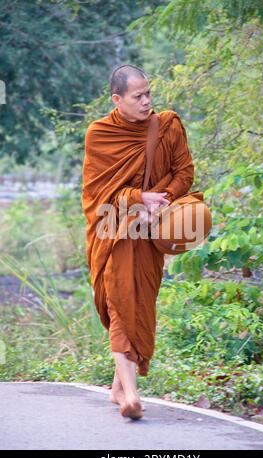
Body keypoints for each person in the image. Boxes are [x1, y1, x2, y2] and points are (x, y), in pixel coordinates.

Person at [82, 64, 194, 420]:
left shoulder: (168, 126)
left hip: (150, 231)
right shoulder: (100, 134)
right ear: (117, 99)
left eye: (148, 94)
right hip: (113, 230)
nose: (147, 101)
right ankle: (131, 396)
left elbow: (185, 172)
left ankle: (118, 387)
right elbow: (96, 193)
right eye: (138, 96)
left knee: (141, 302)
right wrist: (136, 199)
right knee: (120, 302)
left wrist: (160, 199)